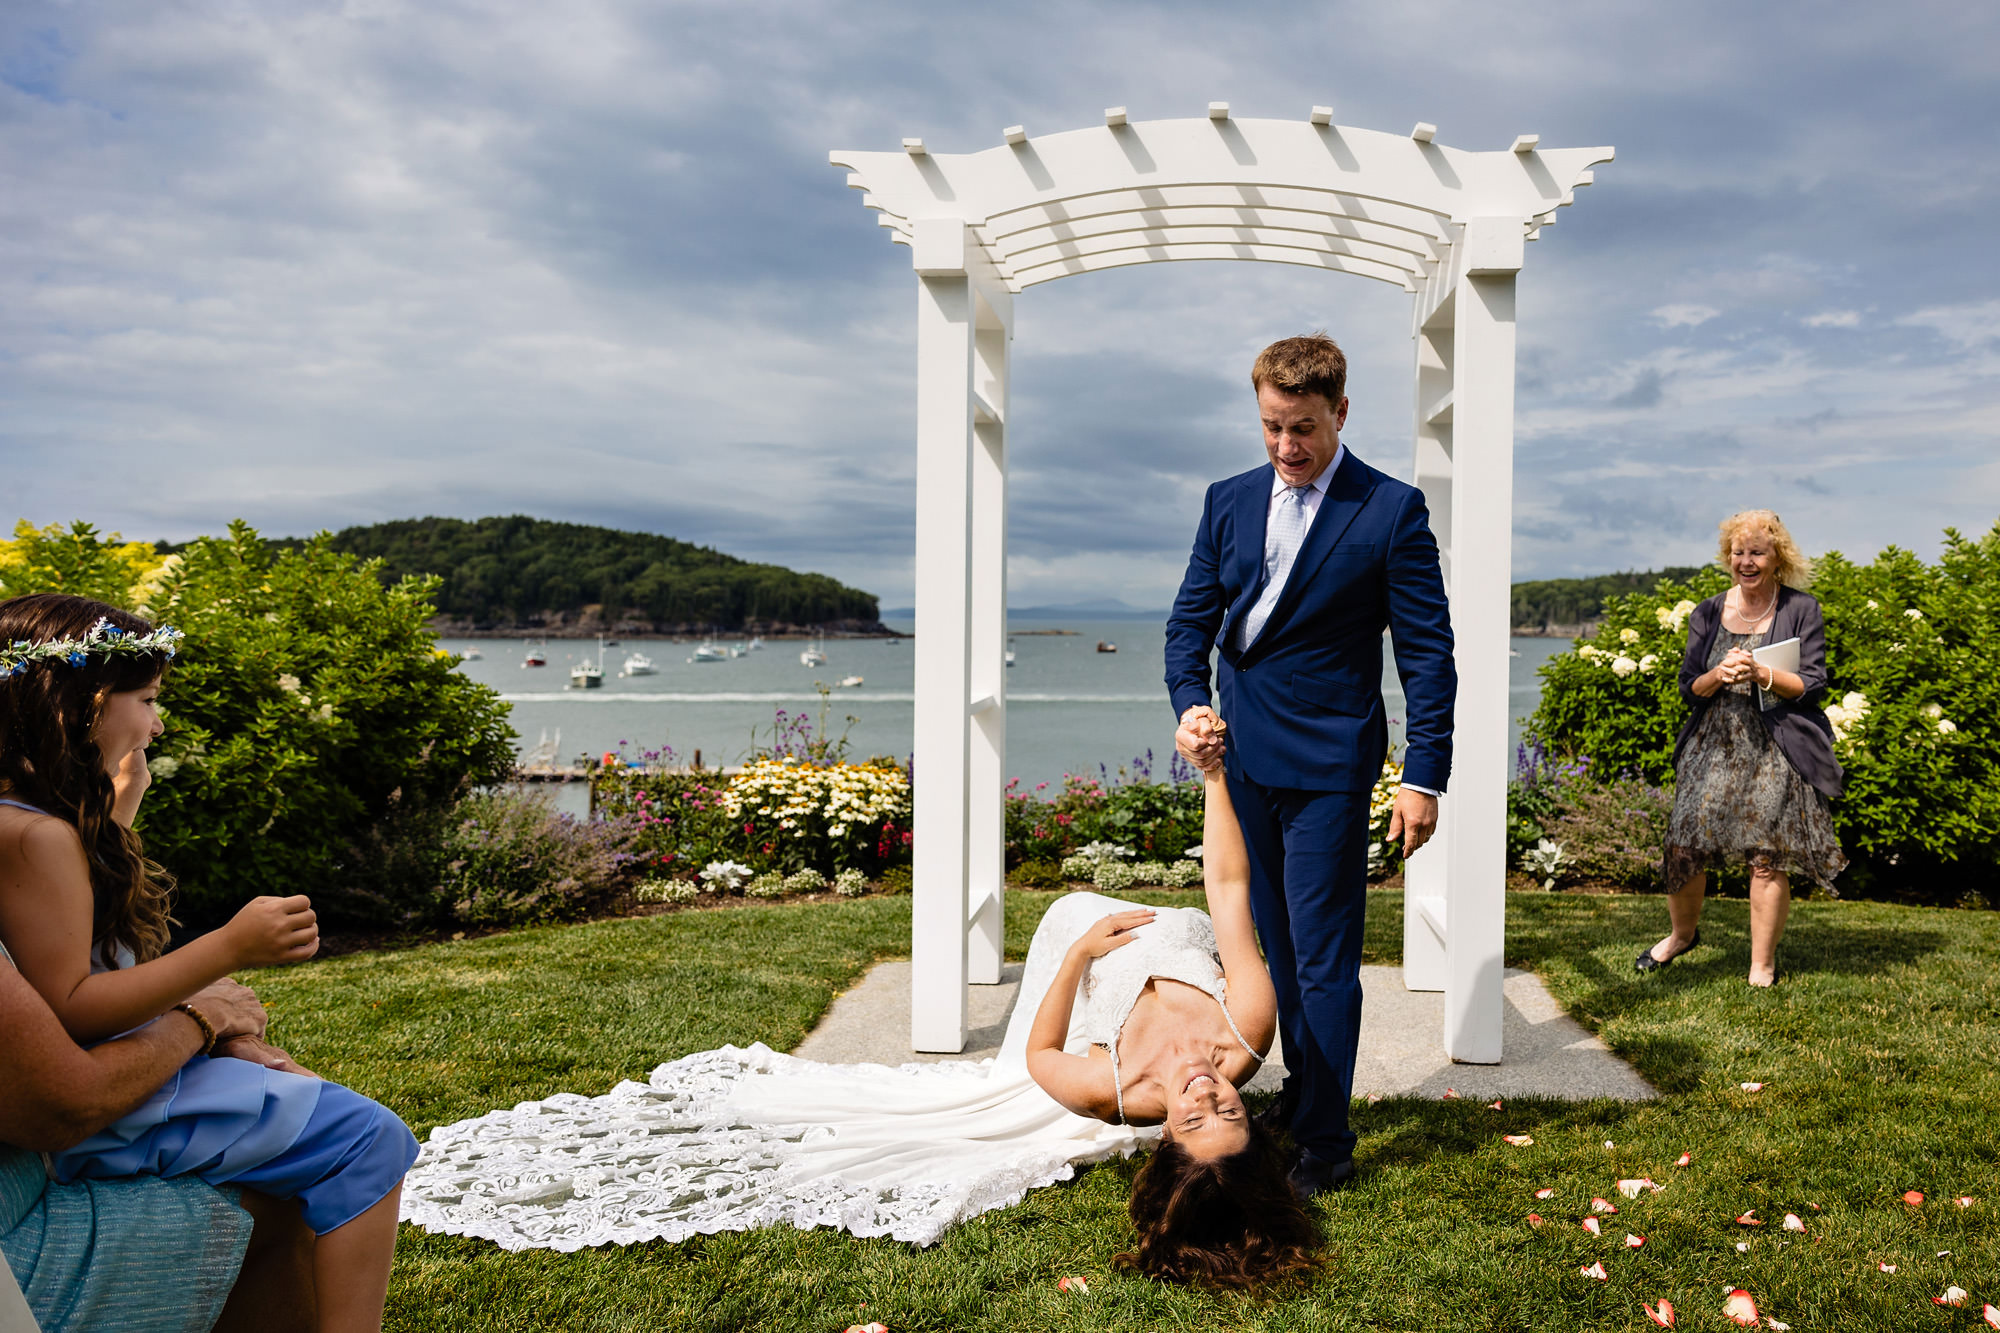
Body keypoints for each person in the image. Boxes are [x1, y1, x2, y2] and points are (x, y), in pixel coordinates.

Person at [401, 746, 1317, 1288]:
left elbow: (1035, 1047)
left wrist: (1079, 954)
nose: (1206, 1094)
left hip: (1079, 943)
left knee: (1050, 973)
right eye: (1226, 1111)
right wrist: (1212, 773)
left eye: (1195, 1118)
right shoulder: (1246, 1025)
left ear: (1166, 1135)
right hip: (1155, 932)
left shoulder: (1107, 1089)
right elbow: (1228, 888)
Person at [0, 593, 419, 1333]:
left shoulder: (22, 823)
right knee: (369, 1137)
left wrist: (121, 812)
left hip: (110, 1093)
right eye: (148, 699)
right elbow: (70, 1004)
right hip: (109, 1107)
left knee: (311, 1106)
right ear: (89, 703)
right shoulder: (39, 839)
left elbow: (67, 939)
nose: (156, 724)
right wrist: (226, 948)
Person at [1164, 332, 1456, 1201]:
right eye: (1271, 427)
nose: (1287, 448)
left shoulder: (1391, 511)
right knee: (1277, 953)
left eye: (1303, 429)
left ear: (1340, 412)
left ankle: (1327, 1140)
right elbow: (1189, 624)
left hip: (1331, 764)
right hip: (1241, 761)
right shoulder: (1227, 499)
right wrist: (1190, 705)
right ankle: (1303, 1092)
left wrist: (1423, 774)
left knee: (1326, 959)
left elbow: (1429, 656)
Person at [0, 947, 317, 1333]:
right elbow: (62, 1107)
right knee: (275, 1201)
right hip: (15, 1261)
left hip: (30, 1194)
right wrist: (205, 1014)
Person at [1638, 510, 1845, 987]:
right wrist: (1717, 675)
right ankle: (1681, 936)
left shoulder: (1800, 608)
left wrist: (1762, 674)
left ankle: (1761, 964)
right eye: (1738, 552)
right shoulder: (1708, 611)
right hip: (1713, 745)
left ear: (1777, 559)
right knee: (1684, 844)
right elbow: (1689, 687)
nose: (1746, 561)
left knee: (1766, 856)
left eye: (1757, 552)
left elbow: (1813, 684)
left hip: (1775, 746)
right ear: (1728, 557)